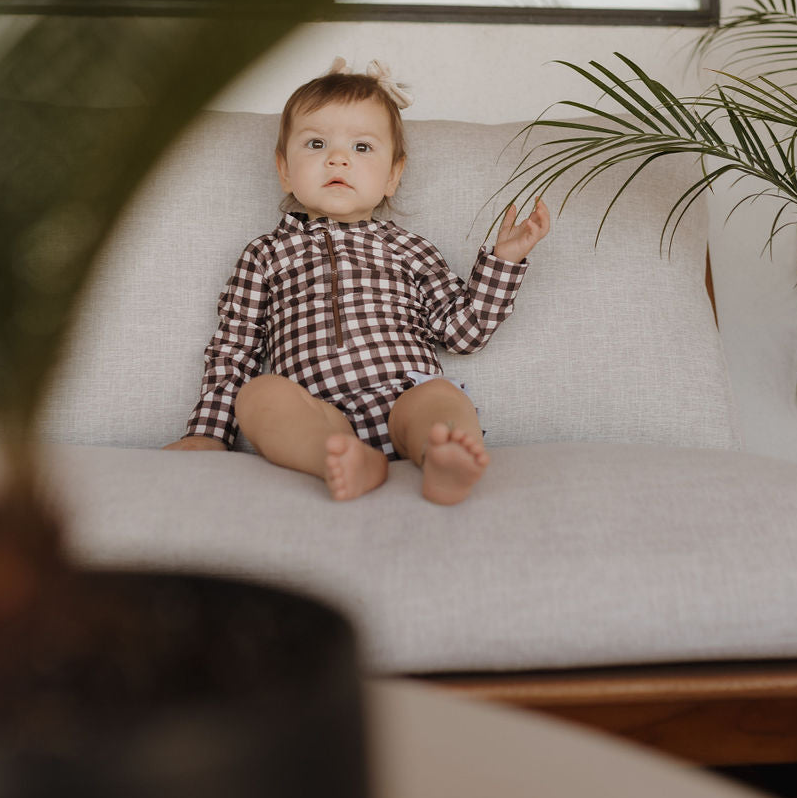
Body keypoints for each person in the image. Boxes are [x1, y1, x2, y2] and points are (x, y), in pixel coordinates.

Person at [165, 58, 550, 505]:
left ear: (393, 175)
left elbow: (462, 333)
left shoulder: (411, 248)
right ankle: (338, 458)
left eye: (362, 148)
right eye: (315, 143)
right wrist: (208, 433)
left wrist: (503, 261)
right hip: (316, 411)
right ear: (284, 168)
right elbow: (234, 351)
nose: (338, 157)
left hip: (403, 392)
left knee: (439, 398)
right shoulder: (264, 254)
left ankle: (442, 453)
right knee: (259, 395)